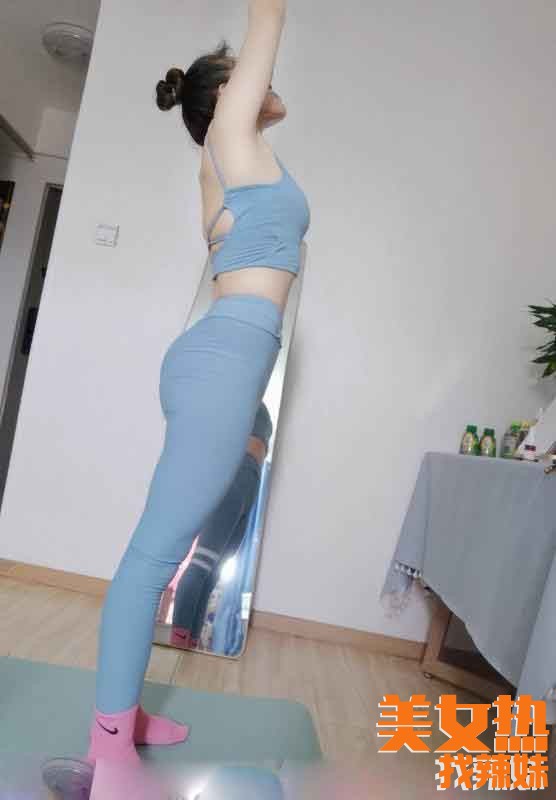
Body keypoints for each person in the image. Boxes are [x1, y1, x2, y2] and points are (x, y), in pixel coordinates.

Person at [86, 0, 310, 766]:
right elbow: (268, 18)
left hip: (226, 359)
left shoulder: (236, 153)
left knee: (163, 547)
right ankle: (109, 745)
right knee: (155, 556)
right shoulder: (226, 137)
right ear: (226, 94)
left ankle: (128, 715)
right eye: (249, 78)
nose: (266, 83)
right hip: (222, 363)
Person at [171, 401, 272, 649]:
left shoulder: (257, 404)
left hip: (251, 484)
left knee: (213, 573)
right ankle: (178, 644)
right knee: (200, 566)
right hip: (235, 474)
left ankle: (191, 645)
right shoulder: (236, 396)